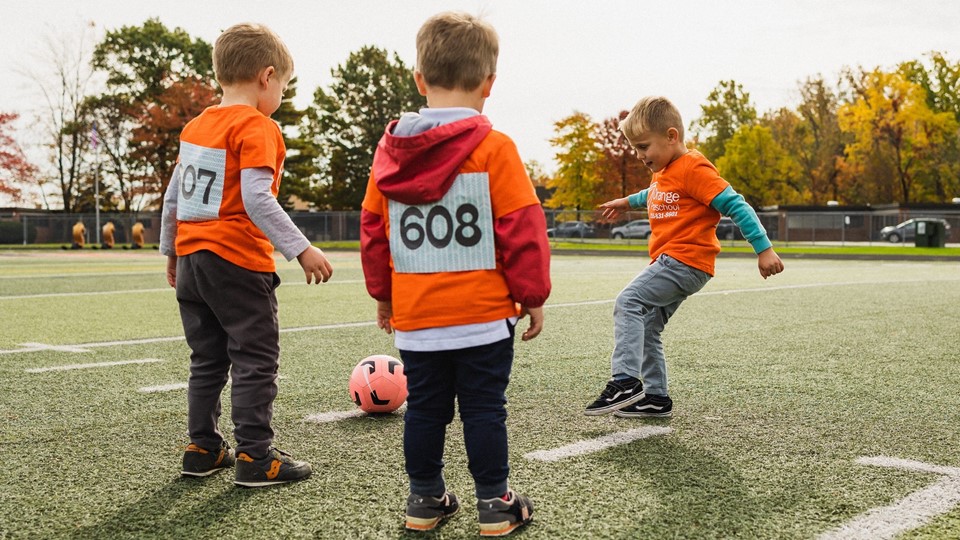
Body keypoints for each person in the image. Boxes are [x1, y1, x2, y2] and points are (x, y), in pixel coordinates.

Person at [360, 11, 549, 536]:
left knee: (425, 409)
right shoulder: (495, 149)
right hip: (484, 315)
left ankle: (424, 500)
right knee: (485, 409)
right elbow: (522, 227)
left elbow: (374, 230)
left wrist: (384, 295)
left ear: (419, 80)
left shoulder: (388, 153)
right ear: (489, 84)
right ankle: (496, 503)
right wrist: (532, 295)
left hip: (419, 317)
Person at [159, 22, 333, 488]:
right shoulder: (258, 125)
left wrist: (171, 254)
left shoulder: (197, 127)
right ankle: (256, 457)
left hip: (193, 259)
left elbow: (173, 199)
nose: (282, 94)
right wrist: (302, 248)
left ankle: (202, 448)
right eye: (285, 86)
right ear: (267, 76)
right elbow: (257, 198)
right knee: (255, 356)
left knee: (206, 359)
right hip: (236, 258)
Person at [585, 96, 784, 418]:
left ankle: (624, 380)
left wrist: (764, 250)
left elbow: (737, 205)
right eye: (635, 149)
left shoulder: (693, 167)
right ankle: (655, 398)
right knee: (648, 326)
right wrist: (626, 202)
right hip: (676, 263)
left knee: (628, 302)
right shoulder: (665, 171)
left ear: (672, 136)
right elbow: (655, 194)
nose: (639, 156)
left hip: (683, 260)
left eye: (644, 146)